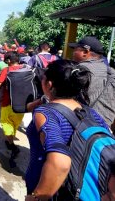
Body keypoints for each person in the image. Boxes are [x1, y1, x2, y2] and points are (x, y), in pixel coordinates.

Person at [25, 60, 109, 200]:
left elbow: (59, 163)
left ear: (49, 85)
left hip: (51, 189)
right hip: (83, 188)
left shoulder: (46, 113)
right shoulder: (90, 112)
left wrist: (36, 197)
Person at [70, 36, 115, 126]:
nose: (73, 53)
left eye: (75, 49)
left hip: (81, 126)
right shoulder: (111, 72)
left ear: (85, 52)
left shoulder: (79, 70)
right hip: (104, 128)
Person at [0, 51, 25, 168]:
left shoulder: (6, 70)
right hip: (22, 103)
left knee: (5, 122)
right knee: (15, 123)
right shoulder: (26, 68)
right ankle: (10, 140)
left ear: (8, 61)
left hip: (8, 102)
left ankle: (12, 145)